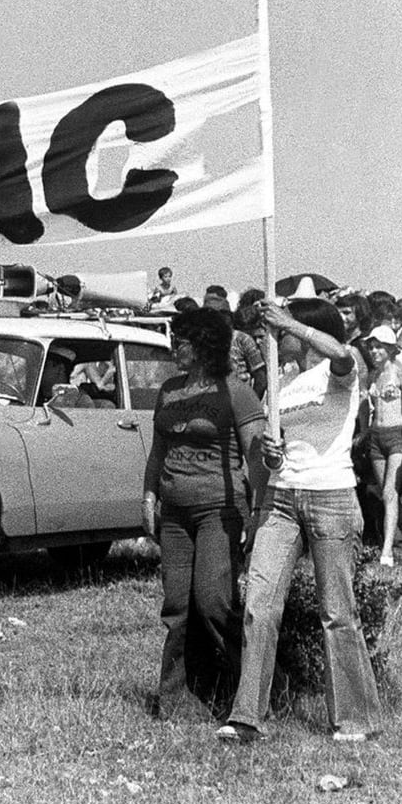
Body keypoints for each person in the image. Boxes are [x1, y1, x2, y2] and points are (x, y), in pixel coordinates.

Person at [220, 298, 384, 744]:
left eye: (284, 330)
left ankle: (354, 719)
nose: (277, 337)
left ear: (302, 329)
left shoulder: (337, 372)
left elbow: (343, 353)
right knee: (259, 603)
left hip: (331, 495)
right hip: (281, 497)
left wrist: (289, 320)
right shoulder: (280, 384)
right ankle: (247, 716)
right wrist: (270, 455)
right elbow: (273, 450)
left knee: (337, 613)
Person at [142, 307, 266, 721]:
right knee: (177, 606)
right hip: (174, 513)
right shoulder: (169, 390)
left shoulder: (236, 392)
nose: (176, 346)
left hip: (219, 508)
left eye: (184, 340)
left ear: (206, 345)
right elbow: (158, 449)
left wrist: (257, 512)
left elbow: (256, 455)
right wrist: (148, 497)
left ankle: (252, 693)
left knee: (213, 602)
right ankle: (176, 699)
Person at [356, 326, 402, 566]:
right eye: (371, 347)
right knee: (388, 495)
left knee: (390, 492)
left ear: (390, 348)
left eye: (379, 346)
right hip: (376, 438)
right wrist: (362, 433)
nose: (374, 351)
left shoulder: (400, 373)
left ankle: (386, 552)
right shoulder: (372, 376)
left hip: (398, 435)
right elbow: (366, 409)